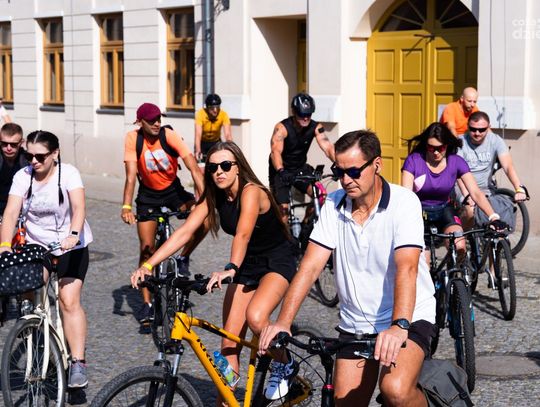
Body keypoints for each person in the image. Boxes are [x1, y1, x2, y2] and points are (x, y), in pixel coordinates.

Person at [260, 130, 437, 407]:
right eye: (339, 172)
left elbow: (407, 268)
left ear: (376, 165)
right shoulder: (333, 204)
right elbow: (310, 267)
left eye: (354, 171)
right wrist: (282, 322)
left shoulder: (404, 202)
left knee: (396, 391)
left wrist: (399, 325)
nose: (345, 180)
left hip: (409, 316)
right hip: (357, 323)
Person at [130, 141, 298, 402]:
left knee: (256, 317)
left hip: (276, 260)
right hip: (247, 263)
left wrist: (230, 268)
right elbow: (186, 231)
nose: (219, 171)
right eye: (213, 167)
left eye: (226, 165)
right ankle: (227, 402)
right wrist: (148, 265)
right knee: (229, 343)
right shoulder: (215, 194)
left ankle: (285, 363)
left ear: (238, 167)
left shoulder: (252, 191)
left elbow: (242, 235)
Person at [0, 130, 93, 388]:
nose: (34, 161)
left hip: (71, 245)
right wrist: (5, 246)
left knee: (68, 300)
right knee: (27, 287)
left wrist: (73, 234)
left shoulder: (69, 173)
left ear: (55, 154)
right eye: (29, 155)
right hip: (37, 245)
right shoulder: (23, 176)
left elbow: (79, 207)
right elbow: (11, 212)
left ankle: (77, 363)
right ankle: (34, 326)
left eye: (40, 156)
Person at [121, 102, 204, 324]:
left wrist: (205, 200)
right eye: (151, 120)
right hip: (148, 195)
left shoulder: (169, 135)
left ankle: (183, 257)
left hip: (174, 191)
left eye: (159, 118)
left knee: (203, 222)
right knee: (147, 248)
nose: (157, 123)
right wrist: (126, 206)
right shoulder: (133, 138)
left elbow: (194, 168)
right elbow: (130, 176)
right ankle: (147, 304)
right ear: (140, 122)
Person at [401, 122, 504, 260]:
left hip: (444, 209)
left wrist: (493, 217)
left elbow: (475, 192)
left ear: (447, 145)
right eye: (431, 148)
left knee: (459, 246)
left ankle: (453, 270)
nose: (436, 152)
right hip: (420, 213)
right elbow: (406, 196)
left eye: (440, 148)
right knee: (424, 263)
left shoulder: (456, 161)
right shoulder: (413, 160)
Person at [268, 93, 335, 221]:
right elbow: (275, 152)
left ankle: (306, 226)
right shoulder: (281, 128)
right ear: (294, 112)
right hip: (280, 170)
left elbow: (328, 147)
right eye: (301, 114)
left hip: (299, 167)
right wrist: (281, 171)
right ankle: (284, 233)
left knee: (321, 195)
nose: (305, 118)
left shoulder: (316, 127)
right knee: (283, 211)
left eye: (308, 114)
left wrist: (339, 165)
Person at [456, 111, 527, 228]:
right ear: (467, 126)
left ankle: (496, 237)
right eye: (473, 129)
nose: (477, 133)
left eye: (482, 130)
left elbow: (508, 166)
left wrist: (519, 188)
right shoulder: (460, 142)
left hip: (485, 187)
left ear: (489, 127)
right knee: (470, 211)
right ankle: (461, 236)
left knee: (501, 209)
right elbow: (457, 173)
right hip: (462, 187)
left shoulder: (496, 141)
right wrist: (467, 195)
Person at [0, 123, 27, 219]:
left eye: (13, 144)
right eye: (4, 143)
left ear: (21, 143)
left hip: (20, 213)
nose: (8, 148)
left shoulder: (29, 160)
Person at [194, 94, 232, 162]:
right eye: (212, 108)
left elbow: (228, 134)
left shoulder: (223, 114)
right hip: (203, 143)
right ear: (207, 108)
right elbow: (198, 134)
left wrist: (231, 149)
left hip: (215, 142)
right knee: (200, 164)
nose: (215, 110)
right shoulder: (200, 114)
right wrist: (198, 150)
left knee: (217, 162)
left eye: (217, 107)